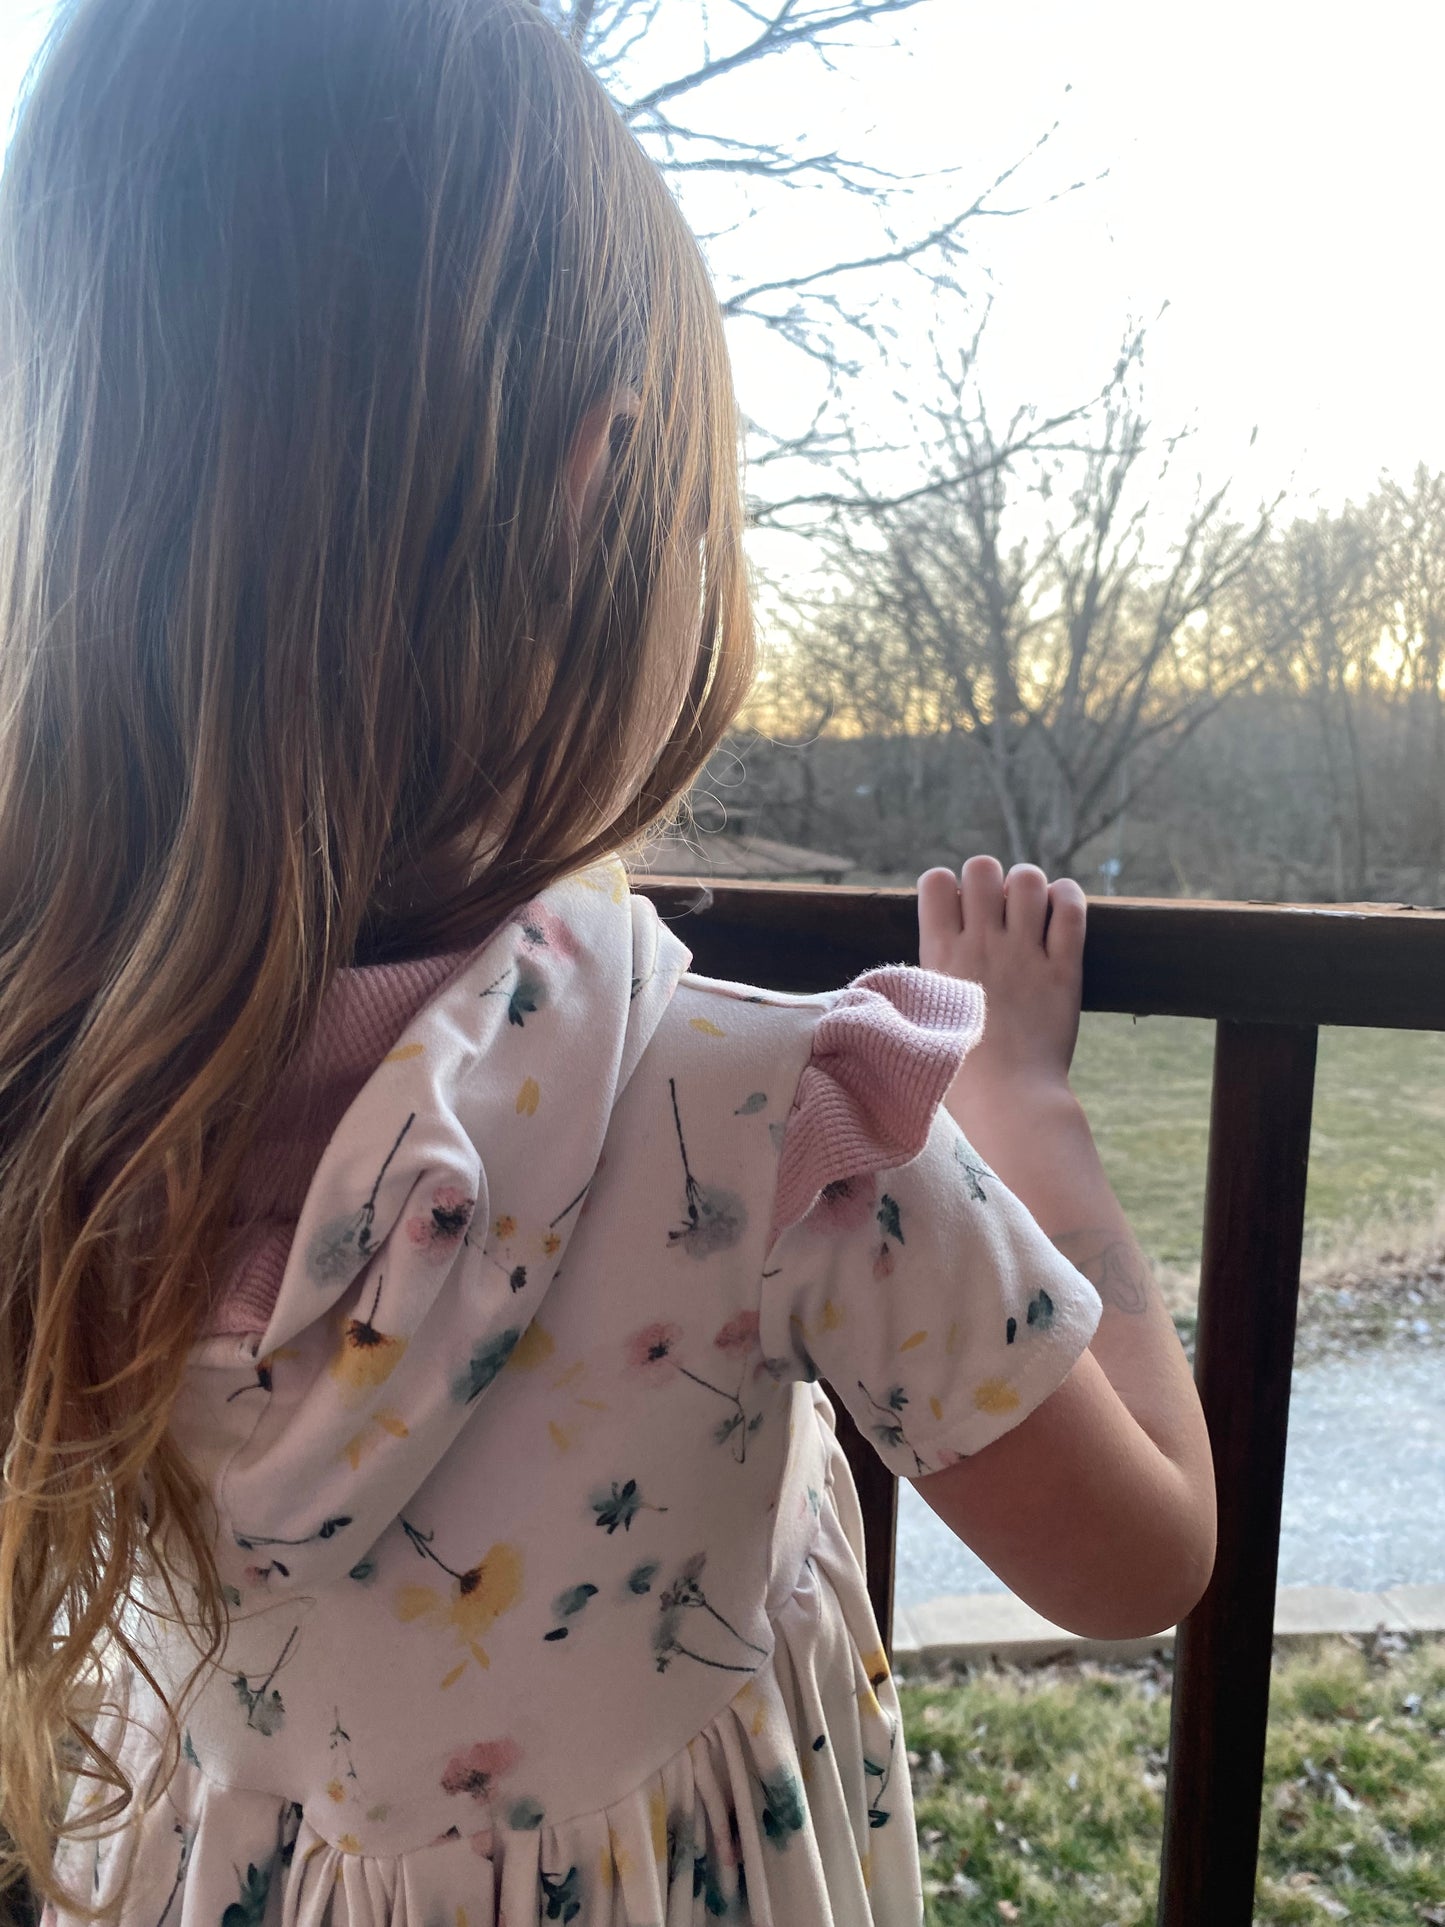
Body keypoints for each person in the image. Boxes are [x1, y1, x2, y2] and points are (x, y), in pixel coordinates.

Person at [0, 1, 1215, 1922]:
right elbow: (1140, 1556)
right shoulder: (781, 1125)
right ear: (599, 489)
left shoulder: (61, 1090)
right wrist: (1028, 1117)